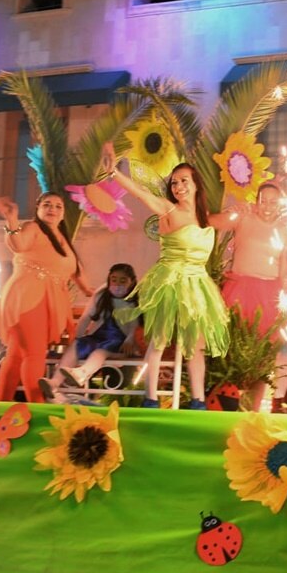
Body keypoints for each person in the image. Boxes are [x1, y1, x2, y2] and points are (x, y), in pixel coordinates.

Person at [102, 142, 230, 409]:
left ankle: (198, 401)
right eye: (174, 183)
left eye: (184, 181)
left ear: (196, 184)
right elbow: (139, 194)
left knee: (196, 346)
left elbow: (238, 221)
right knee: (159, 340)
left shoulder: (206, 218)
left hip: (197, 285)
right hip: (170, 282)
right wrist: (114, 172)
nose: (178, 186)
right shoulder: (167, 209)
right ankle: (150, 398)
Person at [0, 191, 93, 404]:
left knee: (17, 354)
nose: (52, 209)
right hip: (28, 297)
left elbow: (76, 272)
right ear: (38, 209)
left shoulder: (62, 238)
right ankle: (37, 408)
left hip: (44, 301)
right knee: (34, 354)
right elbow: (17, 244)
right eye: (47, 205)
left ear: (64, 214)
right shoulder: (32, 228)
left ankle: (0, 404)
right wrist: (11, 219)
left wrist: (94, 293)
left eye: (58, 206)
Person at [209, 182, 287, 412]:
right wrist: (232, 211)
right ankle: (223, 406)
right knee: (232, 350)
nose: (267, 207)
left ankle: (252, 411)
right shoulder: (244, 217)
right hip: (240, 289)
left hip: (270, 294)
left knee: (262, 357)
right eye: (263, 201)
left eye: (273, 202)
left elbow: (284, 267)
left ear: (281, 204)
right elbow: (209, 220)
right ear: (256, 201)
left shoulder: (286, 230)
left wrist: (286, 299)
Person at [40, 262, 144, 403]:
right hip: (100, 336)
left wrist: (130, 340)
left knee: (100, 353)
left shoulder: (136, 300)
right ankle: (55, 383)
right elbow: (86, 317)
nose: (117, 284)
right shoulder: (102, 295)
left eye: (123, 280)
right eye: (114, 279)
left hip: (121, 344)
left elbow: (136, 326)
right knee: (77, 345)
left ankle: (83, 373)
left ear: (132, 282)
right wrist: (77, 336)